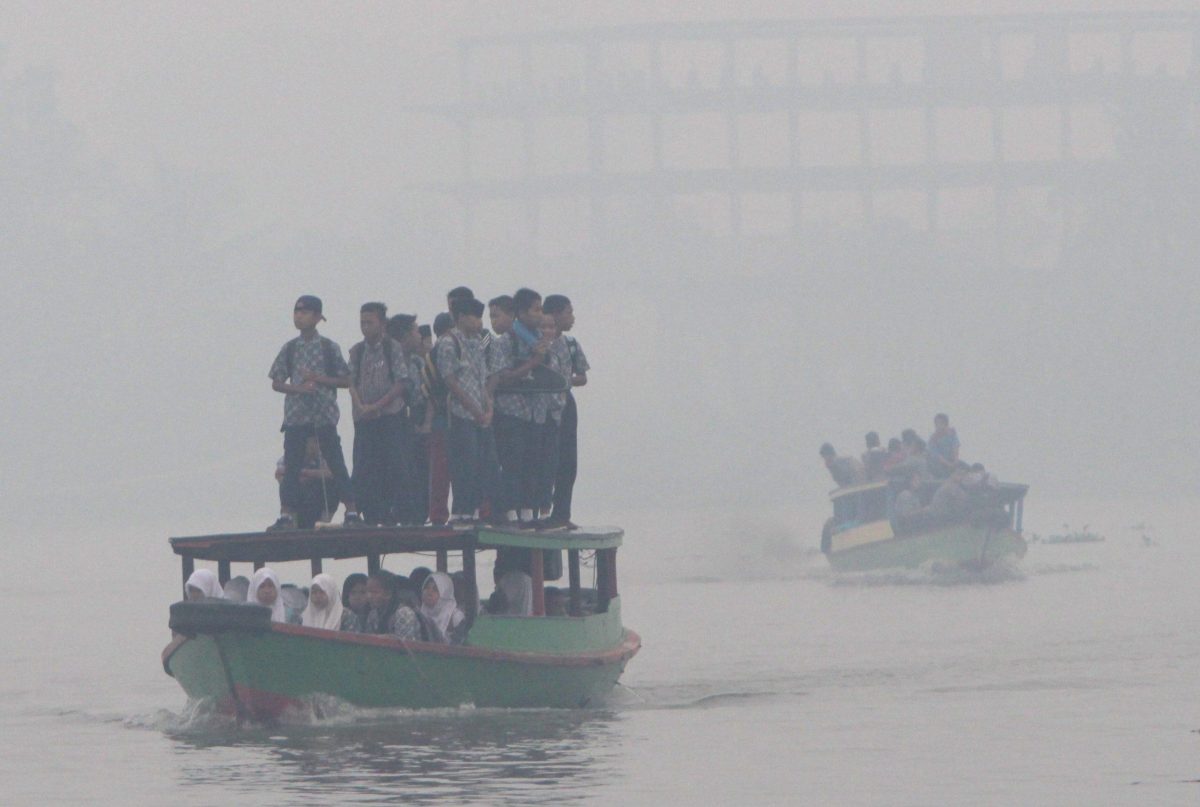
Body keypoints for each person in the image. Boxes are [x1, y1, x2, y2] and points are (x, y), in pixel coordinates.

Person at [267, 295, 365, 530]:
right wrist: (299, 388)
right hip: (296, 417)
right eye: (296, 311)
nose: (298, 316)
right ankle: (286, 515)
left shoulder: (328, 347)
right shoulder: (290, 348)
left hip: (324, 416)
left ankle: (352, 511)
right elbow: (276, 382)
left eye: (304, 312)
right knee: (292, 467)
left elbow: (345, 379)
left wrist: (317, 380)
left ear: (317, 317)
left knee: (336, 463)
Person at [436, 297, 498, 526]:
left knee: (484, 464)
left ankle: (473, 510)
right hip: (460, 414)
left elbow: (483, 380)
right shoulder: (448, 342)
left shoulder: (476, 343)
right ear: (461, 317)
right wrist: (474, 409)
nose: (479, 322)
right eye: (475, 316)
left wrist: (488, 408)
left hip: (480, 415)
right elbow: (450, 380)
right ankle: (461, 511)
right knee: (464, 464)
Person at [348, 302, 410, 525]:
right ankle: (370, 511)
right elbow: (351, 383)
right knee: (365, 465)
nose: (365, 327)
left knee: (394, 464)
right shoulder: (357, 351)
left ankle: (395, 510)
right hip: (364, 419)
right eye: (362, 322)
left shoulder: (392, 348)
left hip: (390, 415)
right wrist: (362, 406)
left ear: (382, 324)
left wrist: (378, 405)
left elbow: (401, 382)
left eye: (369, 322)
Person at [543, 294, 589, 529]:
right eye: (568, 312)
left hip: (565, 402)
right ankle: (542, 511)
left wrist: (565, 380)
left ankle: (562, 512)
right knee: (546, 459)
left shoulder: (571, 344)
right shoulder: (539, 342)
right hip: (543, 405)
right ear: (555, 314)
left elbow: (583, 377)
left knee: (568, 461)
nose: (572, 318)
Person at [527, 313, 571, 522]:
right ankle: (530, 508)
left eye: (551, 327)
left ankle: (546, 509)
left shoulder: (561, 349)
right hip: (533, 415)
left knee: (550, 463)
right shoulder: (530, 348)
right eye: (543, 327)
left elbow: (564, 380)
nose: (547, 331)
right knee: (532, 462)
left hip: (554, 413)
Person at [388, 313, 430, 525]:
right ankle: (399, 512)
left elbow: (429, 393)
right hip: (394, 420)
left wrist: (426, 422)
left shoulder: (417, 362)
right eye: (415, 331)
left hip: (416, 418)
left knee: (419, 469)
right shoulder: (390, 361)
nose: (419, 335)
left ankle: (418, 513)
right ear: (405, 335)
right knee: (400, 468)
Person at [422, 313, 455, 525]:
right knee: (451, 470)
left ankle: (438, 515)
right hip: (448, 418)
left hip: (441, 419)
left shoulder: (431, 354)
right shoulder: (447, 349)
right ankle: (444, 513)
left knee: (440, 472)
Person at [274, 436, 338, 528]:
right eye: (315, 442)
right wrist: (298, 477)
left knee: (334, 485)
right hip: (298, 497)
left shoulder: (322, 457)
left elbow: (332, 473)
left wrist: (305, 473)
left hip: (317, 498)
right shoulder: (290, 457)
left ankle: (323, 521)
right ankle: (289, 519)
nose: (318, 446)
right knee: (287, 484)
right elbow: (279, 473)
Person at [363, 570, 422, 640]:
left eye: (374, 592)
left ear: (388, 594)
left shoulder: (404, 613)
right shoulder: (373, 615)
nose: (369, 596)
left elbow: (406, 644)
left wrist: (382, 638)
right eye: (367, 591)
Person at [420, 572, 467, 644]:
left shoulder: (456, 617)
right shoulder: (420, 612)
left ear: (445, 594)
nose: (429, 592)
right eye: (427, 588)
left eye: (435, 589)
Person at [927, 413, 960, 480]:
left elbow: (955, 447)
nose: (939, 426)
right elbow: (937, 456)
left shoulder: (951, 434)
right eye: (937, 423)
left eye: (941, 423)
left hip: (952, 461)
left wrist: (956, 461)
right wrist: (949, 464)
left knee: (964, 467)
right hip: (939, 464)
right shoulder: (933, 439)